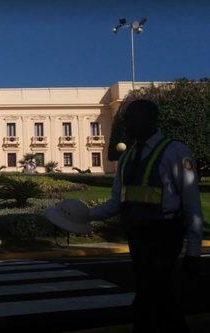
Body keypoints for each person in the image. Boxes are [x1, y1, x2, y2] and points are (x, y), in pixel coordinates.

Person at [89, 99, 203, 332]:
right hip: (137, 236)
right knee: (154, 293)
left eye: (132, 117)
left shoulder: (176, 152)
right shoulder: (127, 158)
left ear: (150, 119)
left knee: (150, 294)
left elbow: (192, 203)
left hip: (165, 235)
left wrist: (193, 251)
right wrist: (84, 216)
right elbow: (115, 202)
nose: (126, 123)